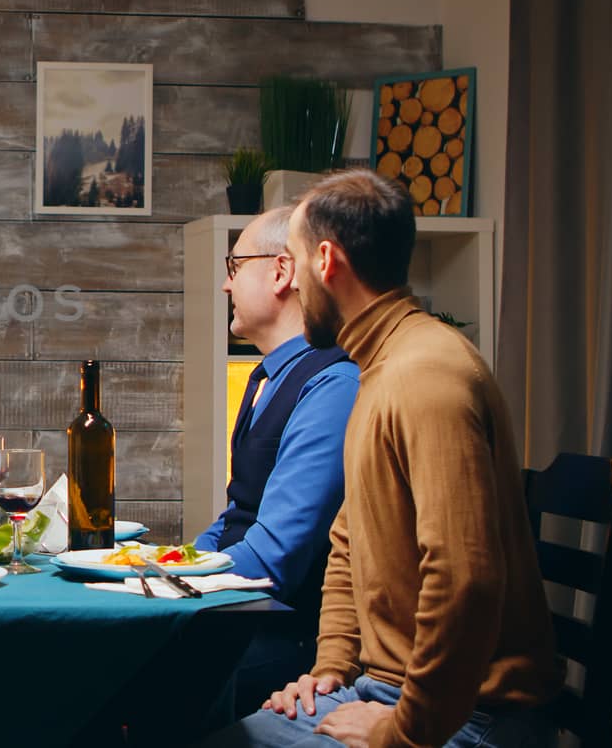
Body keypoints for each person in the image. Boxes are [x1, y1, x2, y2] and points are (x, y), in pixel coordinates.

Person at [199, 170, 559, 748]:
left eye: (290, 261)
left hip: (465, 716)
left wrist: (403, 731)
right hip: (378, 687)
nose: (289, 282)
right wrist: (328, 671)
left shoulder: (425, 377)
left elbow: (465, 579)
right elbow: (348, 543)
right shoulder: (377, 369)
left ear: (325, 260)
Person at [193, 206, 358, 717]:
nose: (225, 285)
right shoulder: (266, 377)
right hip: (242, 614)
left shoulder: (333, 385)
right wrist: (180, 561)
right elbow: (238, 512)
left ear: (282, 272)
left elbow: (277, 556)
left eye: (234, 266)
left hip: (285, 636)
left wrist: (168, 583)